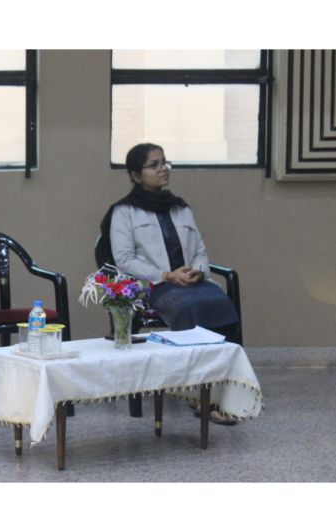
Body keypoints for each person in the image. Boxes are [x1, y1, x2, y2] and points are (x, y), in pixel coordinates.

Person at [100, 142, 240, 425]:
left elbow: (200, 250)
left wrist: (197, 271)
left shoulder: (180, 208)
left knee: (223, 305)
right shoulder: (124, 212)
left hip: (192, 282)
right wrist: (166, 275)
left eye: (164, 162)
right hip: (154, 287)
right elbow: (124, 260)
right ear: (136, 175)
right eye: (154, 165)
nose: (163, 169)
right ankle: (197, 393)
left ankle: (224, 392)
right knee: (190, 308)